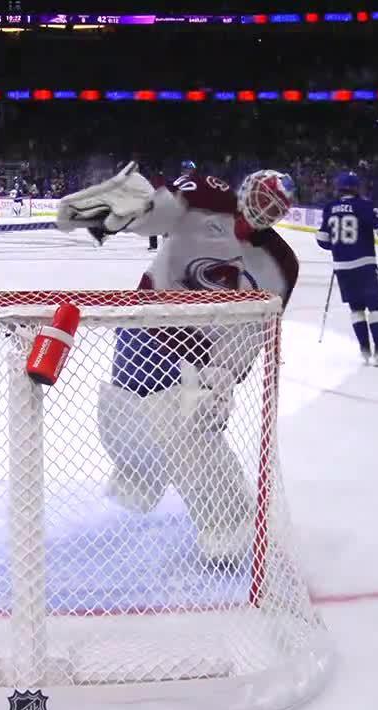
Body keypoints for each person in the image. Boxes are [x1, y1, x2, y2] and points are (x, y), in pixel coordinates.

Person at [57, 162, 299, 563]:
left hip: (198, 357)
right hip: (147, 325)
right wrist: (128, 216)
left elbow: (255, 328)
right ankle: (142, 476)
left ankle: (231, 527)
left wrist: (226, 375)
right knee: (123, 412)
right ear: (245, 186)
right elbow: (160, 213)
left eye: (274, 206)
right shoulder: (208, 192)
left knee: (189, 431)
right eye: (261, 195)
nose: (263, 207)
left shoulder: (280, 263)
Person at [317, 171, 378, 365]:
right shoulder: (365, 205)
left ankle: (365, 350)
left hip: (342, 267)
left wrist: (336, 246)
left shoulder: (330, 208)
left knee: (356, 309)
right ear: (356, 188)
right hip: (364, 265)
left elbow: (322, 240)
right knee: (375, 306)